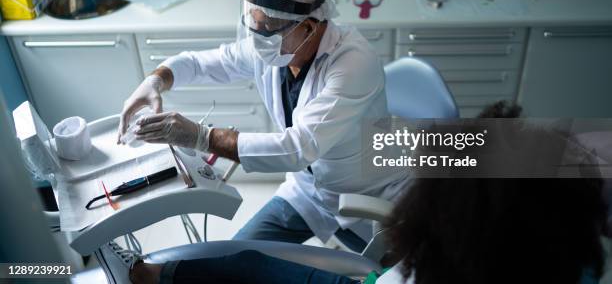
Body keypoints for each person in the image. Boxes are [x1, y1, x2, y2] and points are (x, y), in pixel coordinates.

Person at [99, 102, 609, 284]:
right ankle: (149, 273)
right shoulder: (566, 250)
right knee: (244, 262)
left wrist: (207, 138)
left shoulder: (454, 250)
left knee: (241, 264)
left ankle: (149, 274)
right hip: (325, 191)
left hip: (349, 221)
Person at [118, 0, 409, 251]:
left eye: (267, 29)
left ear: (307, 27)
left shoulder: (353, 63)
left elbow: (297, 147)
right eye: (253, 25)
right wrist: (156, 80)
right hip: (306, 194)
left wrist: (200, 137)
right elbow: (200, 63)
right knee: (232, 259)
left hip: (370, 200)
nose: (257, 39)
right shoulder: (276, 47)